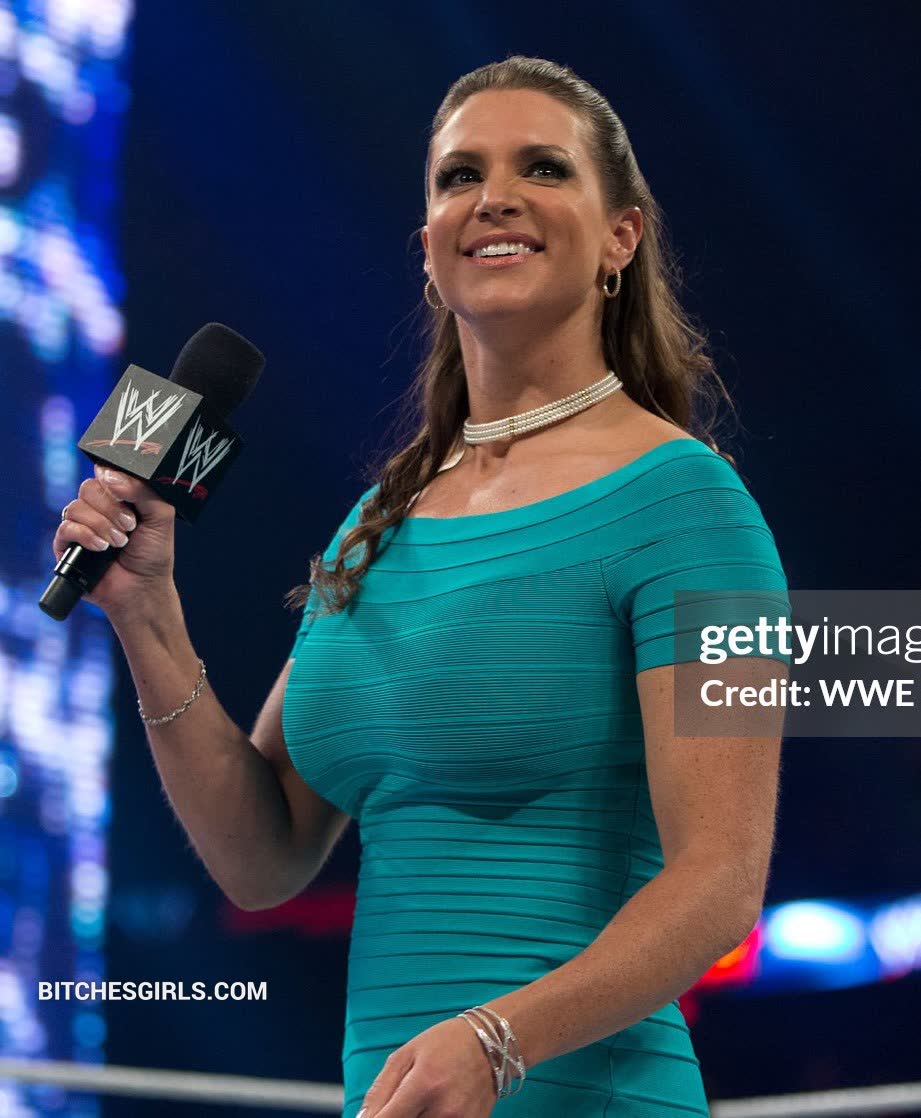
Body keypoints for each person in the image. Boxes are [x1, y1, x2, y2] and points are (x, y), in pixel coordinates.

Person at [54, 56, 789, 1118]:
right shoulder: (380, 516)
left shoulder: (693, 506)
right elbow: (263, 856)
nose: (494, 197)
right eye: (459, 176)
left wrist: (498, 1040)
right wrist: (146, 611)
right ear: (431, 250)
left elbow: (721, 884)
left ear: (621, 237)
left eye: (543, 167)